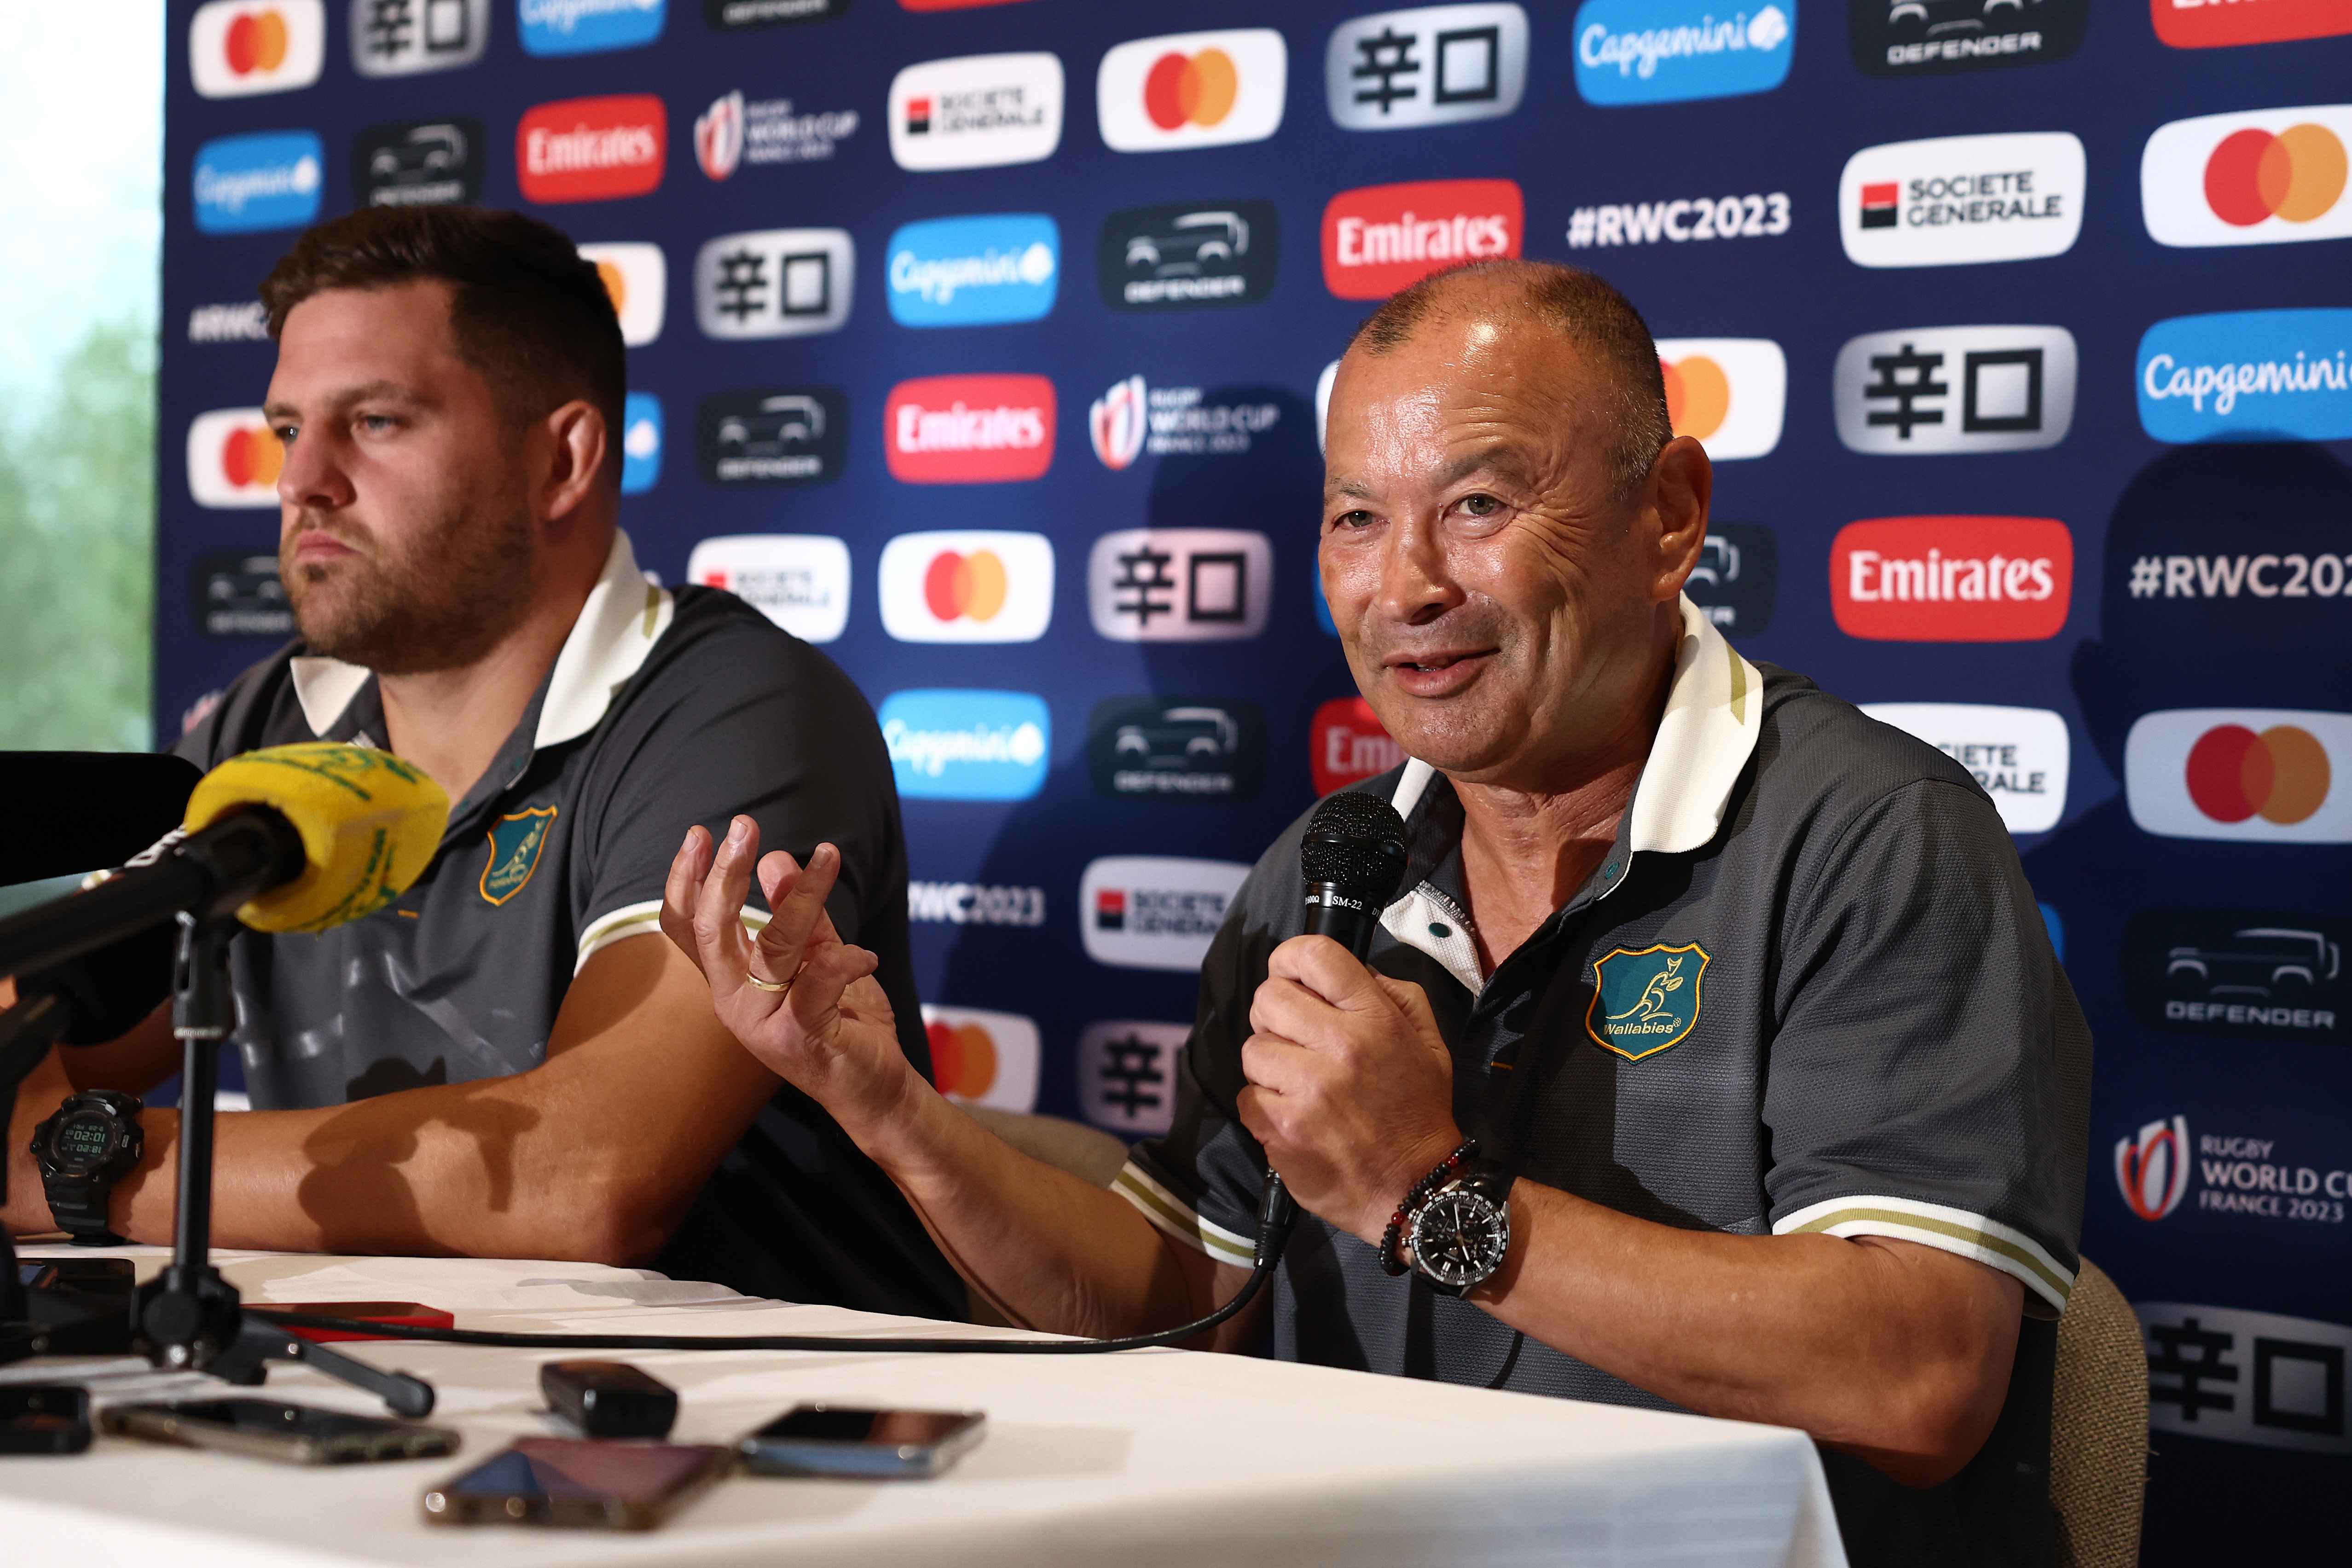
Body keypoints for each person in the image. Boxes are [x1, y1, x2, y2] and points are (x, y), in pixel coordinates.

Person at [664, 259, 2089, 1564]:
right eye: (1356, 518)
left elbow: (1916, 1377)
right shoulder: (1328, 866)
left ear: (1668, 517)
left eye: (1476, 504)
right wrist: (891, 1110)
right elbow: (1188, 1297)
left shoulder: (1872, 836)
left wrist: (1429, 1201)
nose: (1403, 585)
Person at [3, 206, 962, 1321]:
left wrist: (84, 1166)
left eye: (372, 422)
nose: (302, 479)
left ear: (561, 457)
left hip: (762, 1440)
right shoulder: (266, 724)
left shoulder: (738, 708)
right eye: (285, 431)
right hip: (389, 1408)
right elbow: (61, 1039)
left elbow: (586, 1173)